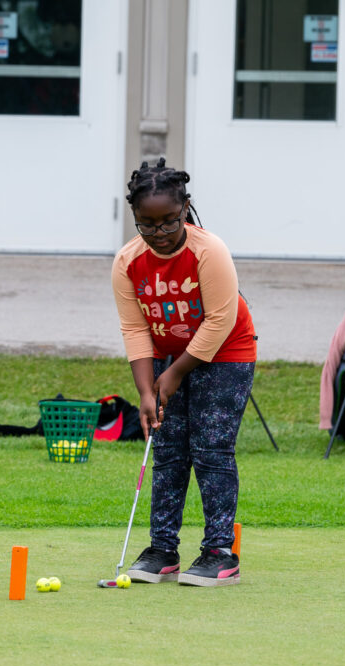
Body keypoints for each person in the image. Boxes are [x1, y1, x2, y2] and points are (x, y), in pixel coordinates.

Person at [110, 157, 257, 587]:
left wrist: (173, 374)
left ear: (186, 208)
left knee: (211, 450)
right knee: (169, 451)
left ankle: (218, 553)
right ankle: (162, 549)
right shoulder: (127, 262)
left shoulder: (209, 251)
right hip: (165, 354)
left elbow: (219, 321)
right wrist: (145, 390)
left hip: (226, 352)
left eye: (169, 222)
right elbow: (135, 328)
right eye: (146, 225)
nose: (158, 234)